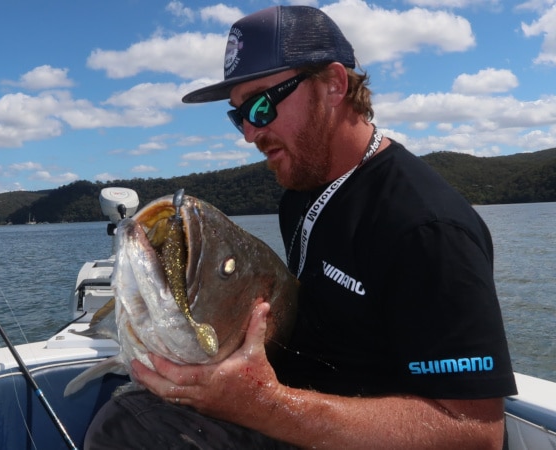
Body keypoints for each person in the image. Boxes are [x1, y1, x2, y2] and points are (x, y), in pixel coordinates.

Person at [85, 5, 516, 449]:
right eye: (239, 117)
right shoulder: (301, 194)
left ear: (333, 84)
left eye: (261, 105)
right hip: (304, 415)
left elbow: (476, 433)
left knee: (124, 429)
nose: (250, 133)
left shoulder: (427, 229)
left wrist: (267, 404)